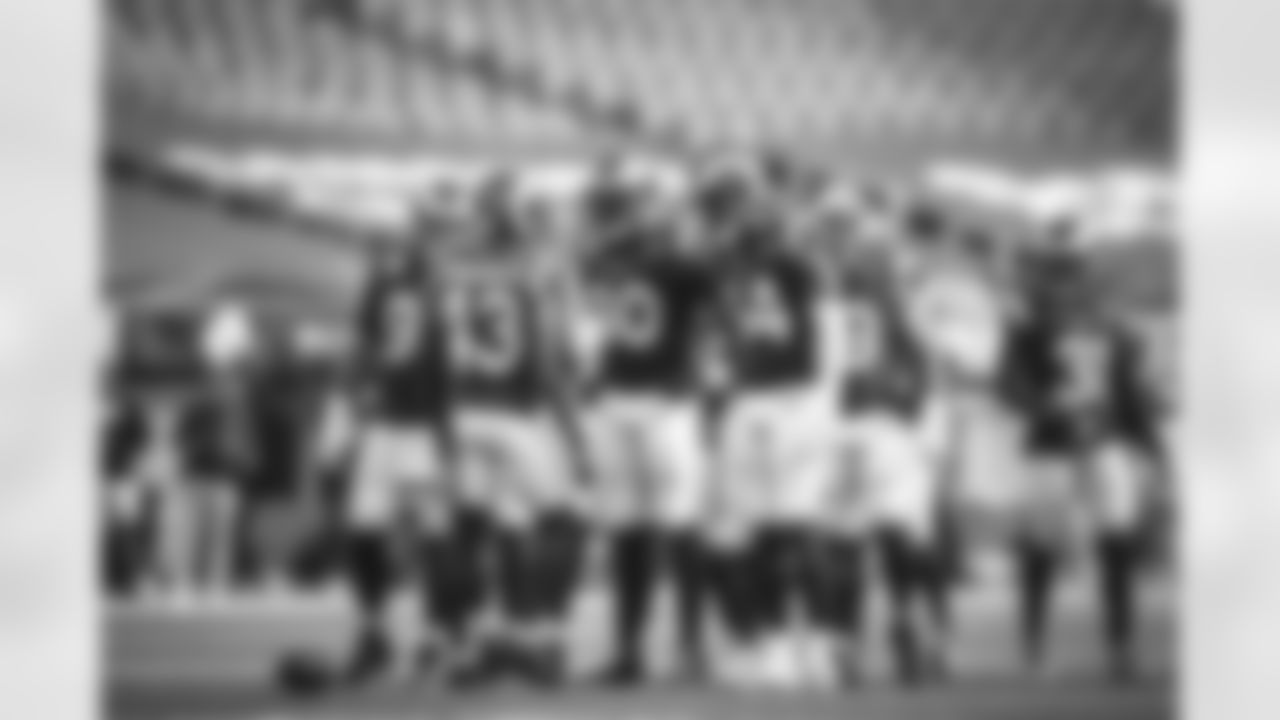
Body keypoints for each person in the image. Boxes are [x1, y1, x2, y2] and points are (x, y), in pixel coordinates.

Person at [278, 229, 454, 695]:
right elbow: (368, 354)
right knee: (381, 534)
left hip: (409, 429)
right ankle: (389, 633)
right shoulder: (409, 297)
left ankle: (427, 635)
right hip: (397, 430)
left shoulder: (414, 296)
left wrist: (346, 420)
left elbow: (373, 356)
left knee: (420, 538)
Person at [702, 162, 844, 688]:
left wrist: (822, 406)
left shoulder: (785, 265)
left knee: (783, 531)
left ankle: (804, 646)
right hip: (770, 400)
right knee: (770, 531)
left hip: (786, 399)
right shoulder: (759, 262)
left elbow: (827, 340)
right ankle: (793, 646)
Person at [440, 180, 586, 687]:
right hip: (516, 413)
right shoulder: (532, 275)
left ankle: (471, 642)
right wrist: (574, 434)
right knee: (563, 519)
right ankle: (536, 635)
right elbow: (548, 361)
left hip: (465, 409)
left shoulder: (457, 271)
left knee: (476, 528)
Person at [576, 171, 718, 686]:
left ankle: (682, 648)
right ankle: (637, 649)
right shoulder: (644, 262)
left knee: (671, 526)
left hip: (656, 403)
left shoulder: (644, 262)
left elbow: (712, 290)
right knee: (635, 529)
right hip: (633, 401)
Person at [999, 247, 1157, 683]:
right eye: (1053, 280)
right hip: (1051, 448)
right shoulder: (1027, 333)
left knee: (1117, 544)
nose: (1062, 289)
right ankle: (1033, 648)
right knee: (1040, 549)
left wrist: (1149, 448)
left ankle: (1120, 646)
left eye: (1068, 279)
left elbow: (1130, 392)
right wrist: (1045, 404)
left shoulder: (1113, 331)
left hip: (1107, 445)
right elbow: (1008, 385)